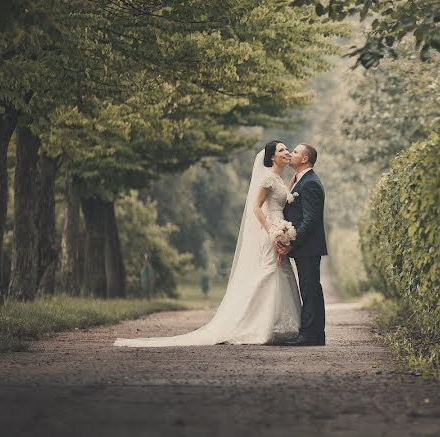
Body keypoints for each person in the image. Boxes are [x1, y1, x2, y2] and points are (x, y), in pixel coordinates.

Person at [114, 141, 301, 347]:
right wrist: (271, 231)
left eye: (286, 149)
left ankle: (280, 325)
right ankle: (257, 324)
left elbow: (283, 197)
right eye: (282, 150)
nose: (287, 152)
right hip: (271, 230)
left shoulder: (280, 180)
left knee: (281, 271)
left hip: (280, 226)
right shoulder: (267, 179)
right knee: (269, 272)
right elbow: (256, 208)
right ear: (272, 157)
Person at [275, 143, 328, 346]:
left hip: (308, 246)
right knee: (310, 288)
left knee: (310, 288)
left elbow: (310, 219)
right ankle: (316, 335)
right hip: (306, 246)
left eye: (295, 152)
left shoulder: (310, 183)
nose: (291, 154)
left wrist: (292, 243)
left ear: (305, 159)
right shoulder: (300, 181)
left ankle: (309, 335)